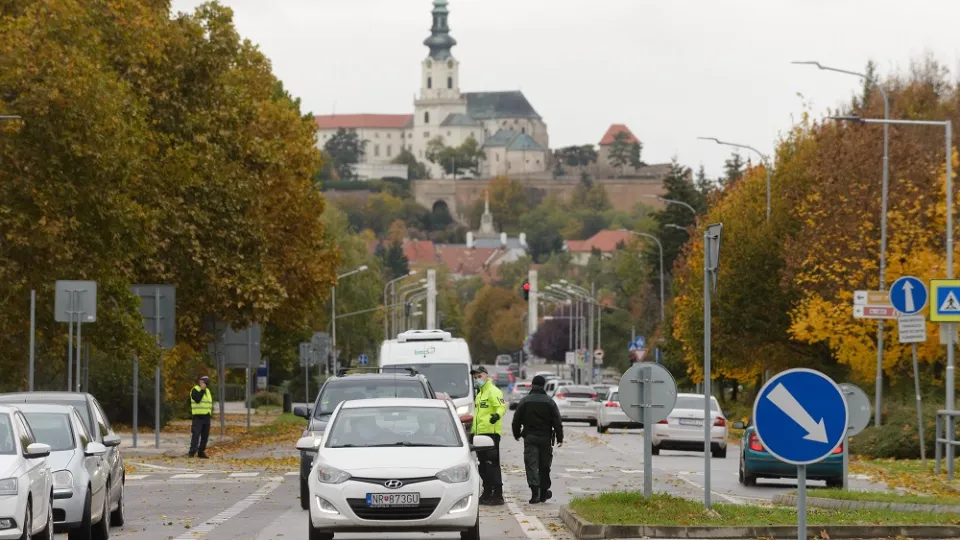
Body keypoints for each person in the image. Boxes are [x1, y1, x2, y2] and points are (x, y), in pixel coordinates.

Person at [511, 375, 564, 504]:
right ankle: (544, 492)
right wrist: (559, 437)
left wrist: (517, 434)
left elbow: (516, 420)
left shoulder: (525, 401)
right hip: (545, 438)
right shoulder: (549, 401)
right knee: (545, 466)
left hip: (530, 437)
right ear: (544, 385)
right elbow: (557, 421)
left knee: (531, 465)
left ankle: (535, 493)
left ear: (532, 385)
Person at [471, 366, 506, 505]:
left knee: (492, 465)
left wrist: (496, 416)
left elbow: (502, 406)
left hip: (491, 433)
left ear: (486, 375)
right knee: (483, 466)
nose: (477, 379)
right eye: (475, 378)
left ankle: (497, 495)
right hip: (480, 435)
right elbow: (478, 416)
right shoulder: (480, 394)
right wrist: (473, 432)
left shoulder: (493, 391)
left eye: (479, 376)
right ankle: (486, 493)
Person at [189, 375, 213, 458]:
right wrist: (202, 390)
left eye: (205, 382)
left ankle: (201, 452)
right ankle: (192, 452)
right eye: (202, 382)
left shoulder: (208, 391)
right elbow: (197, 399)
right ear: (199, 382)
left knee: (205, 435)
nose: (204, 384)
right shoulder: (195, 389)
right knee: (196, 434)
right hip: (198, 416)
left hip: (206, 416)